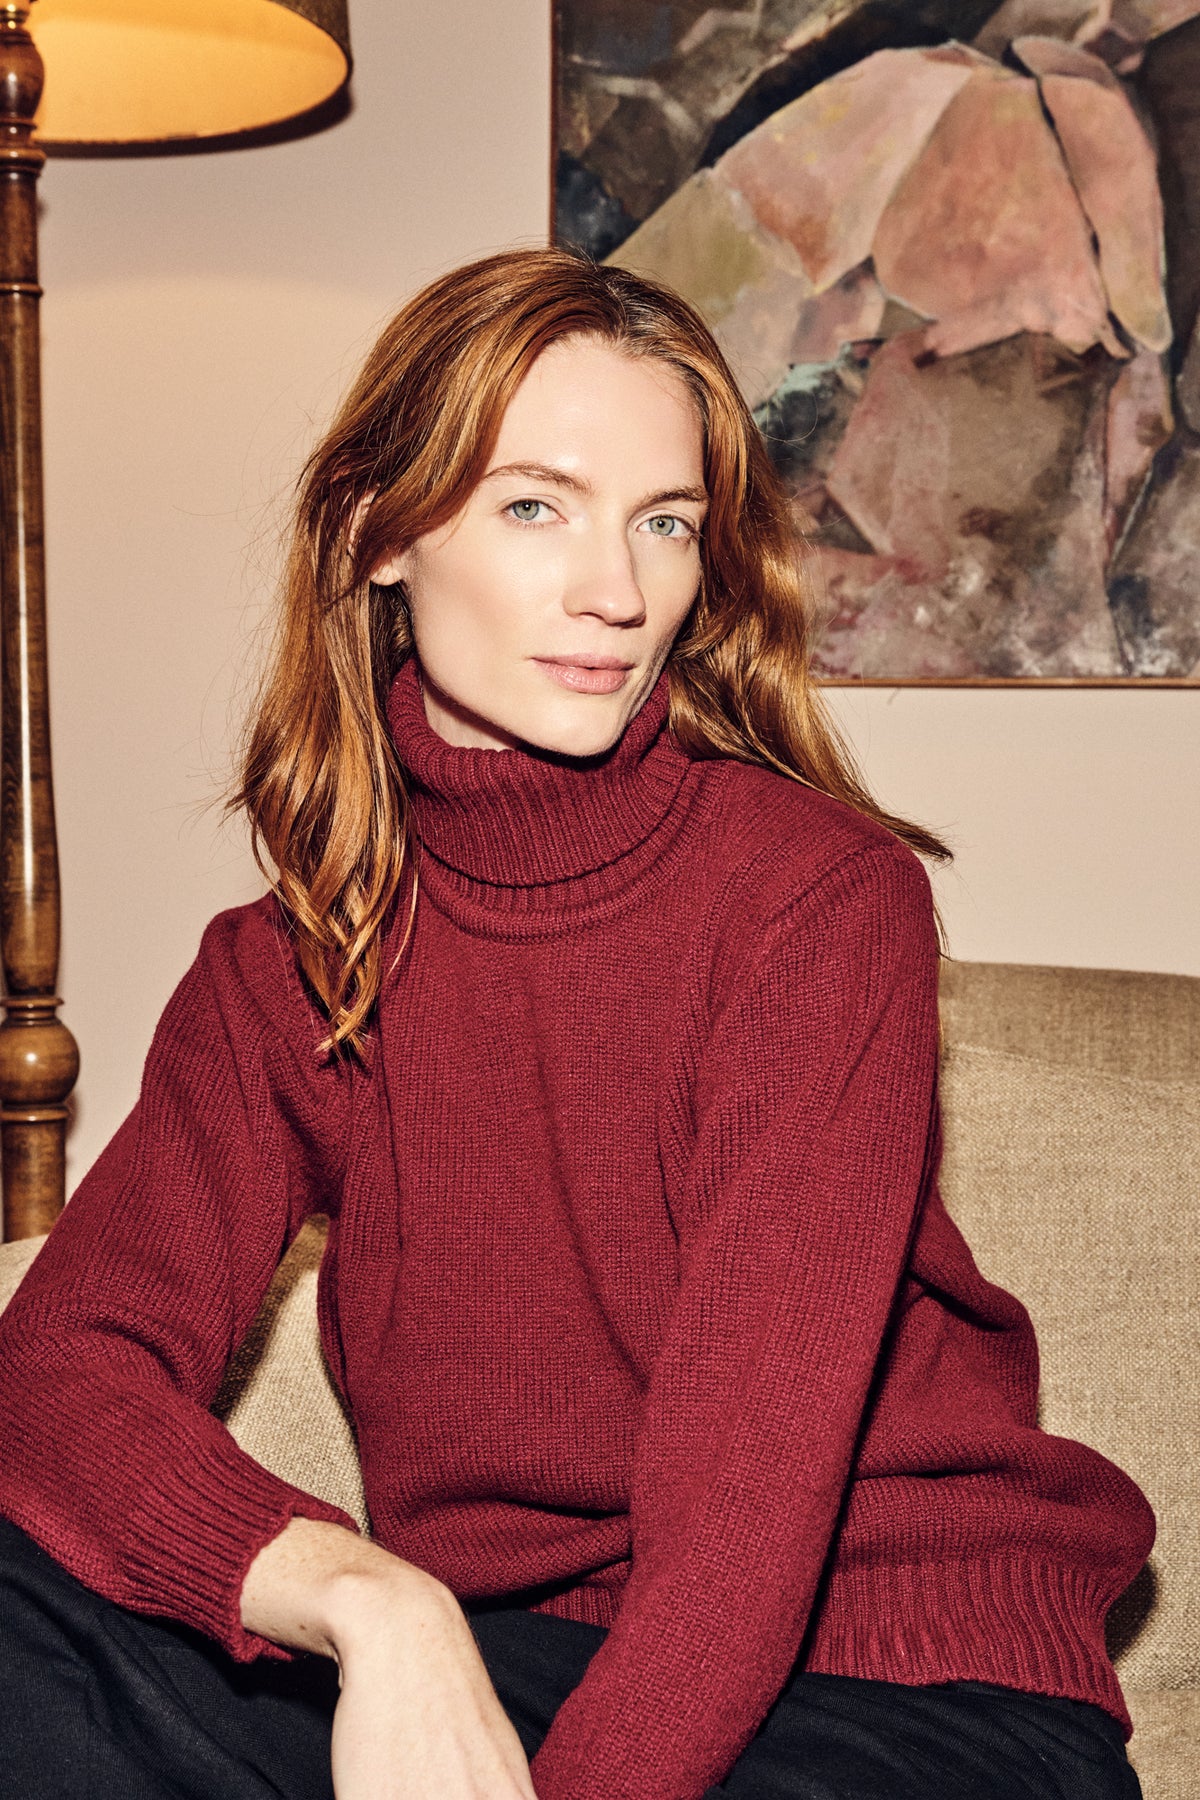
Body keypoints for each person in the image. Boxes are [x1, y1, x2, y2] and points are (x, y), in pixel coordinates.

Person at [0, 248, 1153, 1800]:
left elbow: (746, 1501)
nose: (619, 591)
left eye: (664, 524)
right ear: (382, 532)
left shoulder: (816, 903)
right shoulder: (284, 971)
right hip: (507, 1670)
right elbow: (58, 1372)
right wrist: (369, 1603)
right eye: (536, 504)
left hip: (895, 1688)